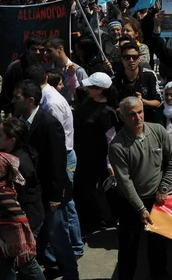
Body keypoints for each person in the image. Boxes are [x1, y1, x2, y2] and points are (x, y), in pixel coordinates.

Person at [12, 80, 79, 279]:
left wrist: (56, 197)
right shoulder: (21, 120)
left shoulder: (49, 123)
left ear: (30, 100)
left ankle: (70, 273)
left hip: (51, 194)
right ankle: (52, 266)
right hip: (34, 191)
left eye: (17, 97)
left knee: (57, 235)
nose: (13, 100)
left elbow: (58, 162)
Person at [108, 97, 172, 280]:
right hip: (131, 204)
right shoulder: (117, 146)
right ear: (123, 117)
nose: (138, 117)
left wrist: (163, 188)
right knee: (128, 248)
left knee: (158, 246)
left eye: (140, 112)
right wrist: (140, 208)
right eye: (132, 114)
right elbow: (125, 182)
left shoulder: (158, 131)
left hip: (156, 201)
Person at [0, 151, 45, 280]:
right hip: (3, 246)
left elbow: (19, 220)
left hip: (7, 247)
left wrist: (22, 244)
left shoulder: (2, 194)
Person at [74, 72, 119, 233]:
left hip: (97, 158)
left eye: (90, 86)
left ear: (99, 90)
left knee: (99, 190)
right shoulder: (89, 102)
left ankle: (103, 219)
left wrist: (109, 163)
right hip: (83, 155)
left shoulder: (107, 112)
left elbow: (111, 140)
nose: (86, 88)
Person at [0, 117, 44, 235]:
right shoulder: (19, 155)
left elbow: (19, 193)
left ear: (12, 140)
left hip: (27, 219)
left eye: (0, 135)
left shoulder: (18, 163)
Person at [0, 35, 45, 114]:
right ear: (27, 50)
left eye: (41, 50)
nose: (37, 52)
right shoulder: (16, 67)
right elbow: (7, 94)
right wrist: (9, 114)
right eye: (34, 49)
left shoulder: (42, 66)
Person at [45, 36, 88, 105]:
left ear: (60, 49)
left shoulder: (78, 71)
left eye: (49, 51)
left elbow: (86, 95)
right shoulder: (47, 70)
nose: (46, 54)